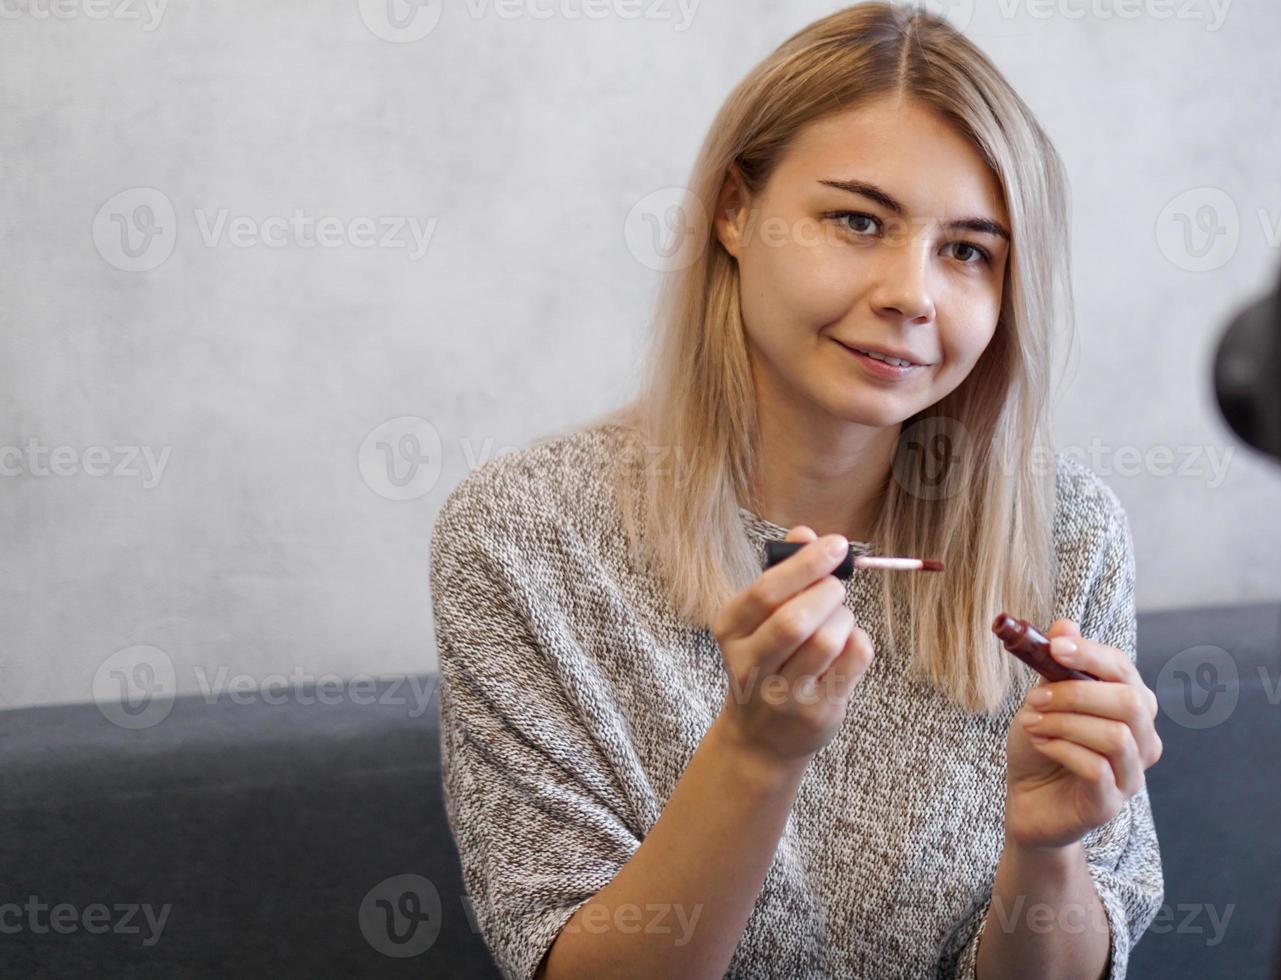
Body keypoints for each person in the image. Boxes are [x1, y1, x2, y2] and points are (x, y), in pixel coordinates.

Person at [429, 4, 1165, 978]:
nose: (911, 292)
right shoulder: (521, 537)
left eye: (967, 251)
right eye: (857, 221)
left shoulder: (1066, 535)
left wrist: (1046, 846)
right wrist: (754, 752)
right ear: (735, 209)